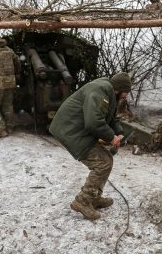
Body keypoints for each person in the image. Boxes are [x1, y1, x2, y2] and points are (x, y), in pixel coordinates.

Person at [49, 72, 132, 220]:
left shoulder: (108, 92)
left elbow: (111, 117)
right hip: (71, 130)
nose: (126, 97)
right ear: (119, 89)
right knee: (102, 163)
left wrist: (118, 132)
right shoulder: (99, 91)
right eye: (125, 93)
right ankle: (83, 201)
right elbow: (93, 122)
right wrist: (111, 137)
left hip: (77, 129)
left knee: (106, 159)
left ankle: (93, 196)